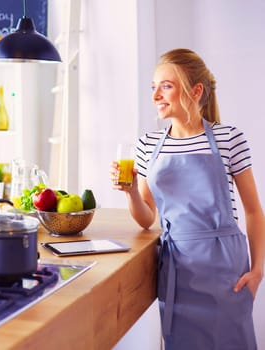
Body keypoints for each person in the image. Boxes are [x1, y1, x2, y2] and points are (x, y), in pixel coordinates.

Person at [111, 48, 265, 349]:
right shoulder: (147, 145)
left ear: (196, 91)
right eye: (153, 87)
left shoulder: (228, 138)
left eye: (166, 86)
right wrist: (130, 192)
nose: (156, 95)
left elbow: (254, 211)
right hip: (178, 269)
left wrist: (258, 271)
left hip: (225, 270)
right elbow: (146, 218)